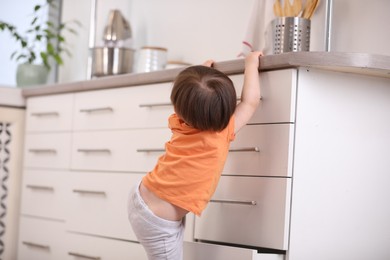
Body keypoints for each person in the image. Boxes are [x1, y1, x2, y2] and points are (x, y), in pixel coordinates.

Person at [127, 51, 263, 260]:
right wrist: (251, 65)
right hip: (157, 220)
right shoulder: (221, 132)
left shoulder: (179, 122)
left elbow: (192, 98)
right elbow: (250, 101)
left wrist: (204, 73)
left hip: (144, 198)